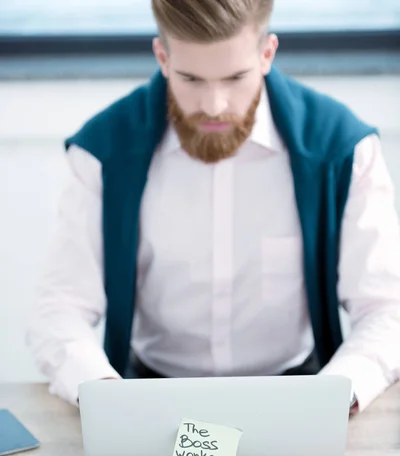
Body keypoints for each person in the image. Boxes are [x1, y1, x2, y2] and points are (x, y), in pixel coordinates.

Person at [27, 0, 400, 413]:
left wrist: (333, 397)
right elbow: (59, 310)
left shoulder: (344, 149)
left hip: (296, 394)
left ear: (267, 54)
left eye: (236, 77)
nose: (214, 105)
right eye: (191, 78)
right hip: (147, 396)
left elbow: (387, 308)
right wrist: (101, 391)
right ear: (163, 58)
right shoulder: (102, 151)